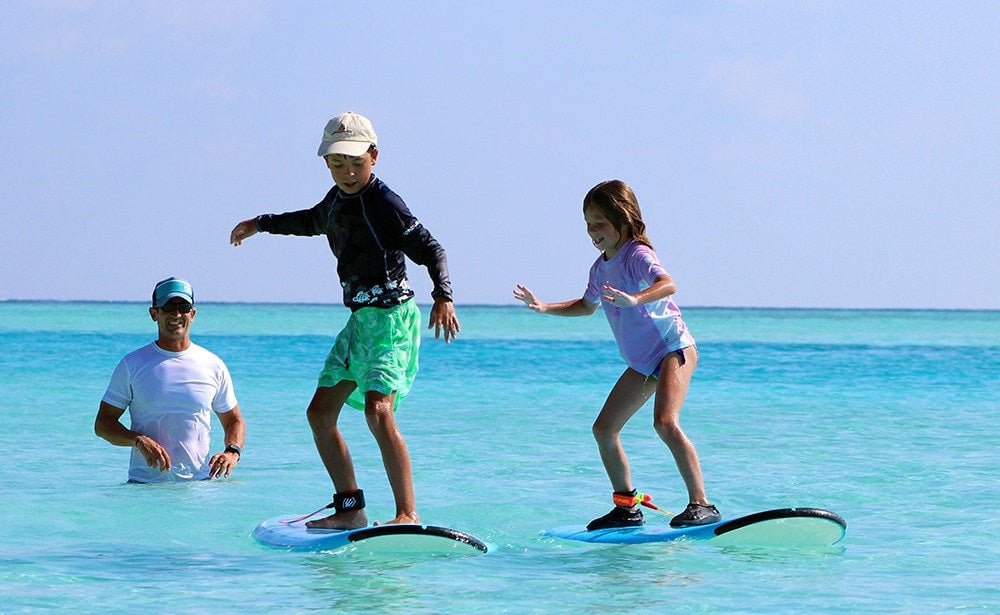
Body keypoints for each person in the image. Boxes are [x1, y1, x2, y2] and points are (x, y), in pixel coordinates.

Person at [229, 111, 460, 529]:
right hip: (359, 324)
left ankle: (407, 514)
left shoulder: (386, 204)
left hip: (392, 321)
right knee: (319, 413)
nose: (348, 172)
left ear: (374, 157)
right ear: (326, 164)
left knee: (378, 412)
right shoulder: (336, 202)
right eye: (338, 164)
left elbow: (433, 249)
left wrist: (443, 296)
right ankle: (350, 509)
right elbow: (306, 221)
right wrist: (260, 224)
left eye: (356, 162)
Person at [514, 180, 720, 529]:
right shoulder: (600, 268)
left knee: (665, 422)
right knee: (604, 429)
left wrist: (636, 299)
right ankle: (627, 508)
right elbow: (585, 305)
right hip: (641, 363)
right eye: (588, 224)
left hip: (673, 348)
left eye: (600, 223)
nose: (592, 231)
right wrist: (545, 306)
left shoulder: (637, 255)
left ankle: (702, 504)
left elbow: (669, 284)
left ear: (622, 220)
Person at [95, 277, 246, 483]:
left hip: (199, 486)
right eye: (168, 307)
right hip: (144, 486)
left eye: (183, 307)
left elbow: (233, 420)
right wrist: (138, 440)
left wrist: (232, 451)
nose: (176, 314)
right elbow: (103, 424)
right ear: (154, 314)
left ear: (192, 314)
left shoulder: (213, 365)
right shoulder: (132, 364)